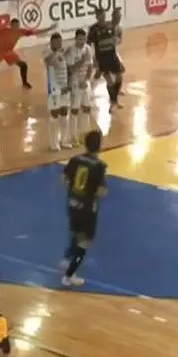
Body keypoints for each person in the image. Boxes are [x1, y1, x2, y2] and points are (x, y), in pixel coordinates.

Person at [62, 129, 108, 286]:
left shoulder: (75, 160)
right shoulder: (99, 166)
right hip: (87, 209)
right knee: (84, 242)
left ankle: (67, 258)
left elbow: (63, 180)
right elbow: (102, 191)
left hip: (73, 204)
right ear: (99, 146)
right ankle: (69, 276)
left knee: (75, 232)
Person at [0, 18, 56, 95]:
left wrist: (49, 28)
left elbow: (36, 31)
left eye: (18, 26)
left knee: (23, 65)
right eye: (15, 26)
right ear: (11, 25)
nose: (16, 27)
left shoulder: (20, 32)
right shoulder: (4, 31)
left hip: (8, 52)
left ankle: (24, 83)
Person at [88, 10, 123, 113]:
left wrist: (117, 40)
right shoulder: (93, 29)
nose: (102, 18)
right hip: (101, 58)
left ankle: (114, 100)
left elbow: (117, 36)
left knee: (119, 77)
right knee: (109, 81)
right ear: (96, 17)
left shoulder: (110, 25)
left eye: (103, 16)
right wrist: (93, 59)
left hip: (112, 55)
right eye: (99, 16)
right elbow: (88, 44)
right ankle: (113, 103)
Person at [66, 28, 95, 147]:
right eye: (79, 39)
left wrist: (87, 80)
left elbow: (90, 66)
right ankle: (73, 136)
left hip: (85, 82)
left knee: (87, 107)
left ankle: (84, 133)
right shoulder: (71, 51)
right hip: (75, 82)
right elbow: (71, 69)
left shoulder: (88, 49)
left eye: (84, 39)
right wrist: (82, 61)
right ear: (75, 39)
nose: (82, 41)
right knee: (75, 109)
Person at [44, 32, 72, 152]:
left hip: (64, 87)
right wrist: (57, 52)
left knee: (64, 112)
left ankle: (64, 140)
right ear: (51, 43)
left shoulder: (63, 54)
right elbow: (48, 62)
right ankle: (54, 143)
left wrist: (69, 85)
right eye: (55, 42)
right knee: (54, 114)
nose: (57, 44)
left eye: (59, 42)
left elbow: (69, 69)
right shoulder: (47, 52)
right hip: (53, 89)